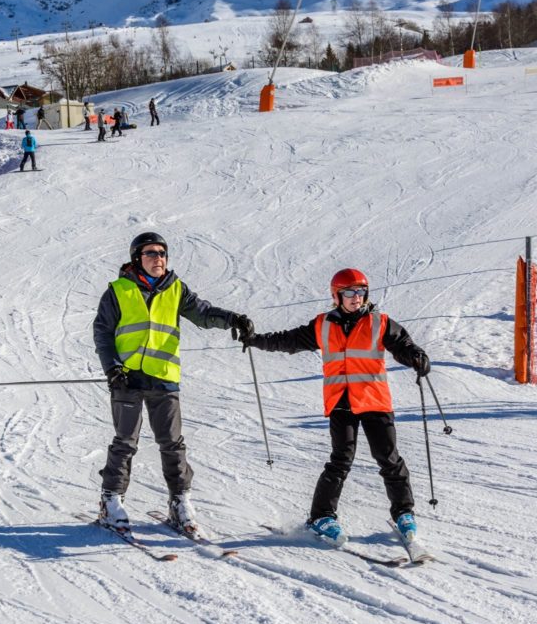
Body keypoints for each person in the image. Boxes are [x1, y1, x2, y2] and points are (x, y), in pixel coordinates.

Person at [238, 268, 430, 548]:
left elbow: (403, 345)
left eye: (361, 292)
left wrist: (416, 357)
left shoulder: (381, 322)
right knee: (341, 459)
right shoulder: (322, 325)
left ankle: (403, 512)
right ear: (336, 296)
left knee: (388, 458)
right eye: (349, 293)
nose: (356, 298)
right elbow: (289, 340)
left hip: (374, 399)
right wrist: (256, 340)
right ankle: (321, 516)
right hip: (341, 402)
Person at [93, 232, 254, 535]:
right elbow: (102, 332)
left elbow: (204, 314)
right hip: (126, 377)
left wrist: (234, 319)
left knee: (172, 443)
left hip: (163, 377)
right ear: (137, 258)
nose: (159, 259)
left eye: (163, 253)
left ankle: (180, 501)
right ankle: (111, 500)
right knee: (125, 441)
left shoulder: (176, 289)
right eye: (151, 253)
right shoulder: (118, 291)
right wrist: (112, 367)